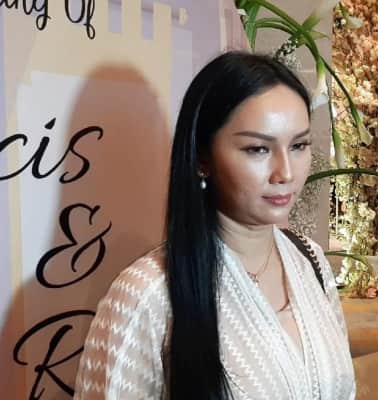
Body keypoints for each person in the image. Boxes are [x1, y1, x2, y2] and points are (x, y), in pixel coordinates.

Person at [74, 51, 355, 400]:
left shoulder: (310, 261)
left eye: (298, 145)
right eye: (258, 149)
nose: (285, 172)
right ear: (202, 157)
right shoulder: (146, 295)